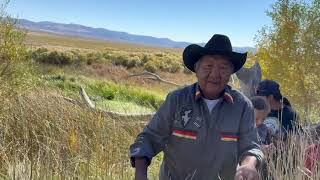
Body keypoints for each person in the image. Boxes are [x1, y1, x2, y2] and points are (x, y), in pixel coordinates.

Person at [129, 34, 263, 180]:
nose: (215, 74)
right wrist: (140, 174)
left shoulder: (242, 106)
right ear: (196, 68)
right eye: (208, 66)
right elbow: (149, 138)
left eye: (223, 68)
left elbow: (251, 146)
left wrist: (249, 165)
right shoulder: (177, 100)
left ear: (231, 73)